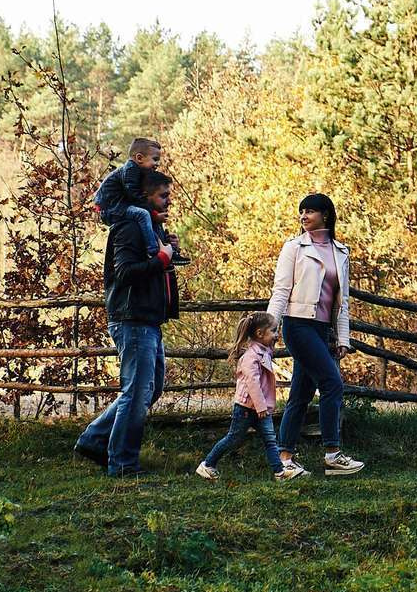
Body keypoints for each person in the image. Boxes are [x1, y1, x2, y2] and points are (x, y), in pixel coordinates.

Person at [74, 168, 181, 477]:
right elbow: (125, 273)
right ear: (143, 198)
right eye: (162, 195)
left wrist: (171, 251)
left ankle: (94, 439)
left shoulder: (151, 229)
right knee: (137, 392)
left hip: (148, 319)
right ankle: (122, 463)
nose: (168, 200)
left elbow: (158, 266)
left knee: (151, 388)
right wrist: (162, 259)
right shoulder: (129, 228)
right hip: (133, 319)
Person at [268, 193, 365, 475]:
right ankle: (333, 453)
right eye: (301, 212)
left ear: (326, 215)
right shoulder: (294, 248)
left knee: (301, 392)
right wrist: (271, 328)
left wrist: (343, 338)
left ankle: (284, 459)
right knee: (332, 382)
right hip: (298, 325)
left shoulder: (341, 252)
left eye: (310, 211)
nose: (303, 216)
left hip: (322, 329)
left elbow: (342, 301)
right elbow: (281, 291)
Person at [196, 313, 305, 481]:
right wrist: (261, 406)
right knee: (233, 438)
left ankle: (280, 472)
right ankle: (207, 465)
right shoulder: (250, 357)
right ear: (260, 334)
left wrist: (263, 407)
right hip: (247, 408)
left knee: (270, 440)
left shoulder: (264, 351)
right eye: (274, 331)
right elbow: (252, 383)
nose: (277, 334)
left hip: (260, 408)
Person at [96, 138, 166, 260]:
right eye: (155, 159)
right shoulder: (131, 170)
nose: (157, 164)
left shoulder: (139, 172)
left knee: (149, 212)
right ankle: (153, 250)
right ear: (139, 158)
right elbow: (133, 195)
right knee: (143, 214)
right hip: (111, 208)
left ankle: (164, 245)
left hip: (120, 205)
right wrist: (152, 212)